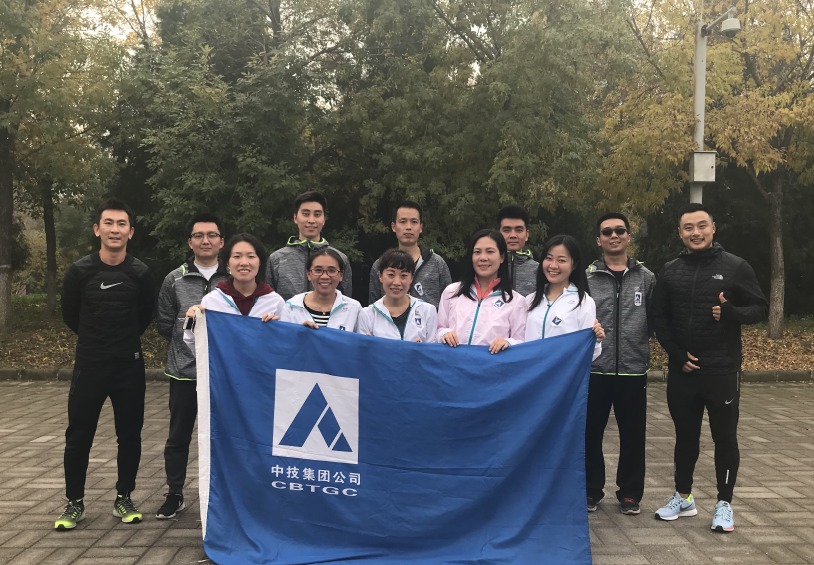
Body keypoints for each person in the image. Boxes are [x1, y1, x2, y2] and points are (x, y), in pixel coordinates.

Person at [653, 203, 768, 533]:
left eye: (702, 225)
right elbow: (659, 318)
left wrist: (731, 312)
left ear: (713, 228)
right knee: (685, 438)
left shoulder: (735, 267)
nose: (696, 232)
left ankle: (724, 504)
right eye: (688, 227)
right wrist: (676, 354)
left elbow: (760, 308)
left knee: (725, 439)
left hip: (722, 372)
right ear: (680, 233)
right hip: (683, 372)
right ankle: (684, 498)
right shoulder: (670, 270)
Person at [56, 198, 155, 531]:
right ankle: (74, 502)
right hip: (89, 365)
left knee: (129, 436)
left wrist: (120, 343)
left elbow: (143, 316)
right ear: (97, 229)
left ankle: (124, 497)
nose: (115, 229)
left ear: (131, 232)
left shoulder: (140, 273)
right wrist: (96, 341)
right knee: (78, 436)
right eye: (109, 223)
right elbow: (70, 315)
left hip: (128, 367)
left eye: (122, 224)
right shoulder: (79, 271)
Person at [154, 213, 228, 520]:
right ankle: (174, 493)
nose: (205, 240)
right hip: (184, 372)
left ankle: (225, 495)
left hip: (223, 374)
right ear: (190, 242)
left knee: (225, 437)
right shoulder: (175, 278)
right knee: (178, 436)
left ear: (221, 241)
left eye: (212, 235)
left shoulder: (234, 278)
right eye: (199, 235)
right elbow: (165, 323)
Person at [585, 213, 655, 515]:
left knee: (633, 435)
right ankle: (590, 490)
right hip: (594, 369)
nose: (613, 235)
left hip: (633, 369)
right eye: (607, 232)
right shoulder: (586, 278)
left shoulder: (646, 277)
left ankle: (629, 493)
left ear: (628, 236)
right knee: (590, 433)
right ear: (598, 239)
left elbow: (653, 320)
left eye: (620, 230)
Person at [183, 233, 285, 352]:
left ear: (260, 261)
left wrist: (277, 332)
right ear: (227, 262)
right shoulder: (211, 301)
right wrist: (191, 323)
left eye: (251, 256)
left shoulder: (275, 302)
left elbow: (286, 348)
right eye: (237, 256)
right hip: (222, 365)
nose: (244, 263)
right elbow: (198, 348)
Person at [436, 229, 526, 353]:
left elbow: (521, 341)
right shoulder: (451, 292)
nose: (483, 258)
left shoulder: (516, 301)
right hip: (453, 363)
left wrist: (509, 343)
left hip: (491, 364)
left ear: (502, 257)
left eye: (490, 252)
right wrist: (444, 334)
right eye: (477, 252)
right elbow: (437, 330)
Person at [524, 234, 603, 359]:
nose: (553, 265)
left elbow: (588, 354)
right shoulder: (529, 300)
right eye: (549, 258)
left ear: (574, 265)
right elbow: (520, 341)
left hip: (563, 371)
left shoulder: (584, 302)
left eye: (561, 260)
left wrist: (596, 341)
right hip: (531, 370)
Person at [265, 191, 352, 301]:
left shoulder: (340, 259)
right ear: (295, 218)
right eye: (306, 214)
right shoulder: (276, 259)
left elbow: (346, 303)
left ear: (324, 220)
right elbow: (269, 303)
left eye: (317, 215)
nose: (311, 220)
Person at [368, 201, 452, 308]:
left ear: (420, 227)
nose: (408, 227)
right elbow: (373, 307)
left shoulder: (437, 264)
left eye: (414, 222)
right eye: (403, 221)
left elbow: (450, 305)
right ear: (393, 227)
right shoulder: (381, 264)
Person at [359, 249, 438, 342]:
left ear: (411, 278)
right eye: (391, 274)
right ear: (380, 276)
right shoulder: (367, 315)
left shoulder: (427, 311)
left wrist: (420, 349)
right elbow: (361, 349)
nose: (397, 282)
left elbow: (433, 348)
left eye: (403, 275)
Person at [280, 248, 362, 331]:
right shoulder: (291, 307)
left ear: (341, 275)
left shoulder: (354, 308)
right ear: (308, 274)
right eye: (318, 270)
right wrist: (298, 333)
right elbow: (283, 337)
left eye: (331, 270)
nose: (324, 276)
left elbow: (361, 338)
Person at [497, 204, 539, 297]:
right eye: (507, 230)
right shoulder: (490, 267)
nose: (513, 235)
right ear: (498, 234)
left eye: (519, 230)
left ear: (527, 235)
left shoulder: (539, 270)